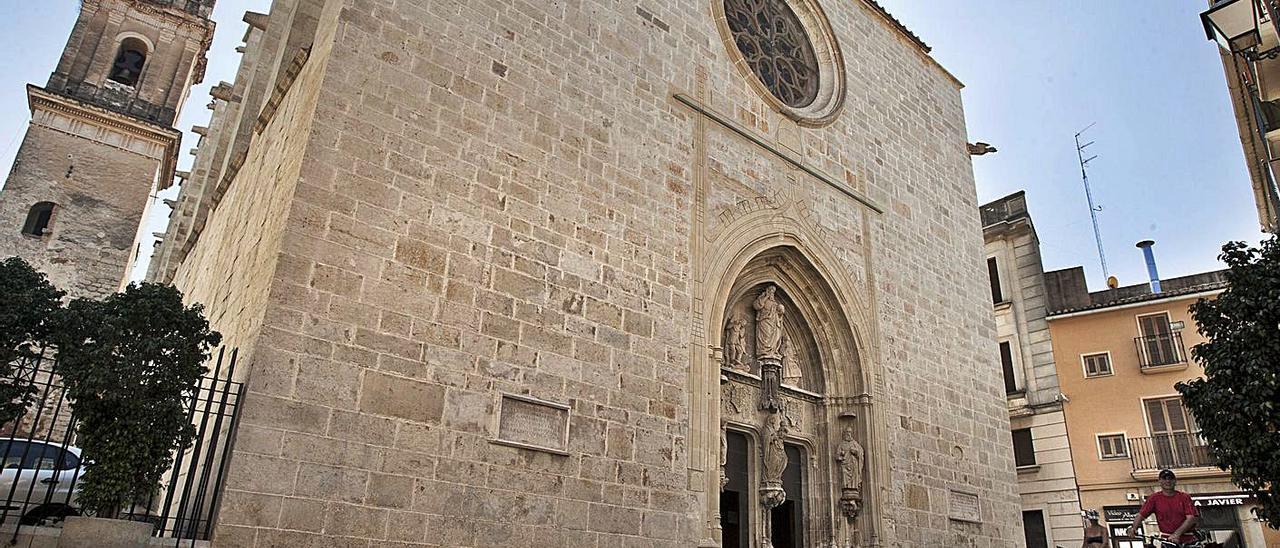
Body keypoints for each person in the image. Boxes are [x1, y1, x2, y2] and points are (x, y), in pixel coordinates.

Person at [1126, 469, 1199, 545]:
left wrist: (1177, 534)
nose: (1168, 481)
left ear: (1175, 481)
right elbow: (1141, 515)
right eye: (1164, 479)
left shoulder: (1184, 497)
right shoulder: (1154, 498)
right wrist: (1134, 528)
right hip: (1167, 540)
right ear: (1160, 481)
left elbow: (1191, 518)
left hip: (1187, 541)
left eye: (1170, 478)